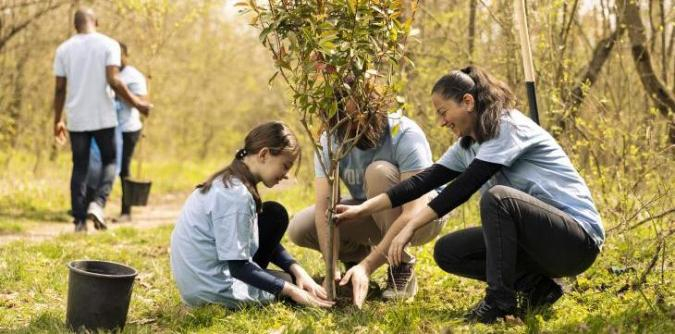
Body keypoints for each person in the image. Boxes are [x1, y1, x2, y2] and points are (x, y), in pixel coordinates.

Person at [335, 66, 604, 323]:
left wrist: (409, 227)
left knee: (498, 199)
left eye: (443, 112)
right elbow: (423, 182)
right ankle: (538, 288)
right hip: (539, 241)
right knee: (448, 251)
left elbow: (462, 188)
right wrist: (364, 208)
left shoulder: (507, 126)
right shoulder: (469, 144)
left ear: (467, 101)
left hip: (576, 241)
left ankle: (499, 302)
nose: (441, 122)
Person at [288, 92, 444, 303]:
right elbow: (325, 207)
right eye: (345, 122)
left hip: (423, 216)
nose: (352, 128)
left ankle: (400, 265)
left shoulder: (403, 131)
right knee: (300, 226)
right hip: (373, 213)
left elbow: (413, 210)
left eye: (359, 118)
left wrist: (368, 267)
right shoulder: (331, 139)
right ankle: (353, 262)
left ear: (374, 108)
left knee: (378, 172)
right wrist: (331, 267)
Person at [170, 121, 333, 309]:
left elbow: (247, 236)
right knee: (292, 288)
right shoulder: (236, 196)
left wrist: (297, 270)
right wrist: (292, 290)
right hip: (211, 290)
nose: (286, 175)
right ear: (264, 154)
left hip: (199, 284)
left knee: (274, 214)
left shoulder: (230, 182)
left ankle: (287, 281)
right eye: (285, 166)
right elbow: (238, 267)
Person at [53, 8, 151, 232]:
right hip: (104, 118)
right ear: (96, 21)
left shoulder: (64, 49)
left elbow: (59, 89)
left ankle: (79, 222)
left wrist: (57, 121)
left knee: (79, 167)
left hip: (77, 118)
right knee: (111, 162)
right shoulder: (109, 45)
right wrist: (138, 104)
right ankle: (98, 204)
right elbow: (114, 80)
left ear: (75, 24)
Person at [86, 42, 149, 222]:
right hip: (106, 127)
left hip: (128, 128)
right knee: (96, 166)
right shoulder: (106, 72)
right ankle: (90, 206)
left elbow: (144, 104)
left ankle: (126, 211)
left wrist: (122, 92)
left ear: (125, 55)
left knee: (124, 169)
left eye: (118, 55)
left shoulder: (134, 76)